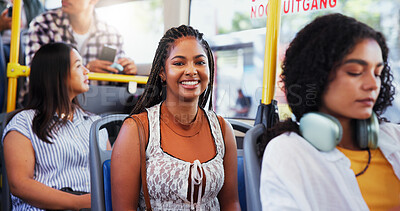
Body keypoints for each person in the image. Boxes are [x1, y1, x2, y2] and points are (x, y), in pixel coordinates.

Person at [259, 13, 400, 210]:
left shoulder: (394, 136)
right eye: (355, 72)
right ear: (316, 76)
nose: (372, 85)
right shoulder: (289, 152)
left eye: (377, 73)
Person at [111, 25, 241, 210]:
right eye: (179, 63)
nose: (191, 70)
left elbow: (231, 203)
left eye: (200, 62)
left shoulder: (222, 129)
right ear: (162, 73)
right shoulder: (136, 129)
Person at [2, 42, 99, 210]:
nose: (86, 71)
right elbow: (19, 184)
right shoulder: (23, 122)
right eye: (78, 66)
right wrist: (79, 203)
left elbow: (111, 173)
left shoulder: (94, 123)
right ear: (57, 75)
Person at [25, 0, 136, 75]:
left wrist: (127, 70)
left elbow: (116, 82)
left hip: (97, 103)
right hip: (51, 104)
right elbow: (36, 74)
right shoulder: (43, 24)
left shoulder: (112, 35)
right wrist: (84, 70)